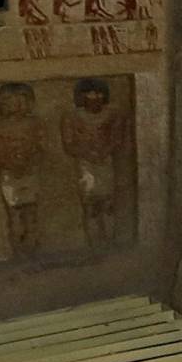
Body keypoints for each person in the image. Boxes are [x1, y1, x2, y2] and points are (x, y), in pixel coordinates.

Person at [60, 76, 128, 247]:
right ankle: (94, 244)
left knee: (108, 203)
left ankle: (110, 241)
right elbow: (69, 144)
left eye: (98, 94)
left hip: (105, 162)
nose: (95, 99)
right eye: (89, 95)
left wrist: (104, 152)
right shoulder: (72, 116)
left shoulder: (112, 114)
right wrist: (89, 154)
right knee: (91, 205)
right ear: (81, 97)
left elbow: (117, 138)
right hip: (86, 164)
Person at [0, 81, 45, 257]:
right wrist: (12, 165)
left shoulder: (35, 123)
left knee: (31, 214)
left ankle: (32, 252)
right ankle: (19, 254)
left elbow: (41, 148)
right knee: (15, 215)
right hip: (9, 175)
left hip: (30, 172)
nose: (15, 105)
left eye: (20, 100)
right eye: (9, 101)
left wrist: (27, 163)